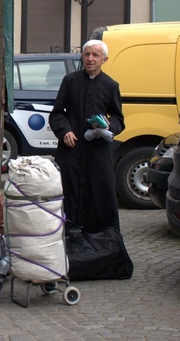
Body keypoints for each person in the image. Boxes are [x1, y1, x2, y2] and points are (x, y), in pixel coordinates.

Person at [49, 40, 125, 233]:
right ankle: (67, 234)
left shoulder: (110, 85)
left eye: (95, 55)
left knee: (99, 194)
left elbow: (118, 118)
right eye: (87, 54)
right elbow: (57, 113)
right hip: (71, 150)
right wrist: (65, 130)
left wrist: (109, 126)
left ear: (104, 59)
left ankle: (99, 238)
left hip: (97, 151)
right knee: (68, 191)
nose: (90, 59)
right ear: (82, 57)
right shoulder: (70, 80)